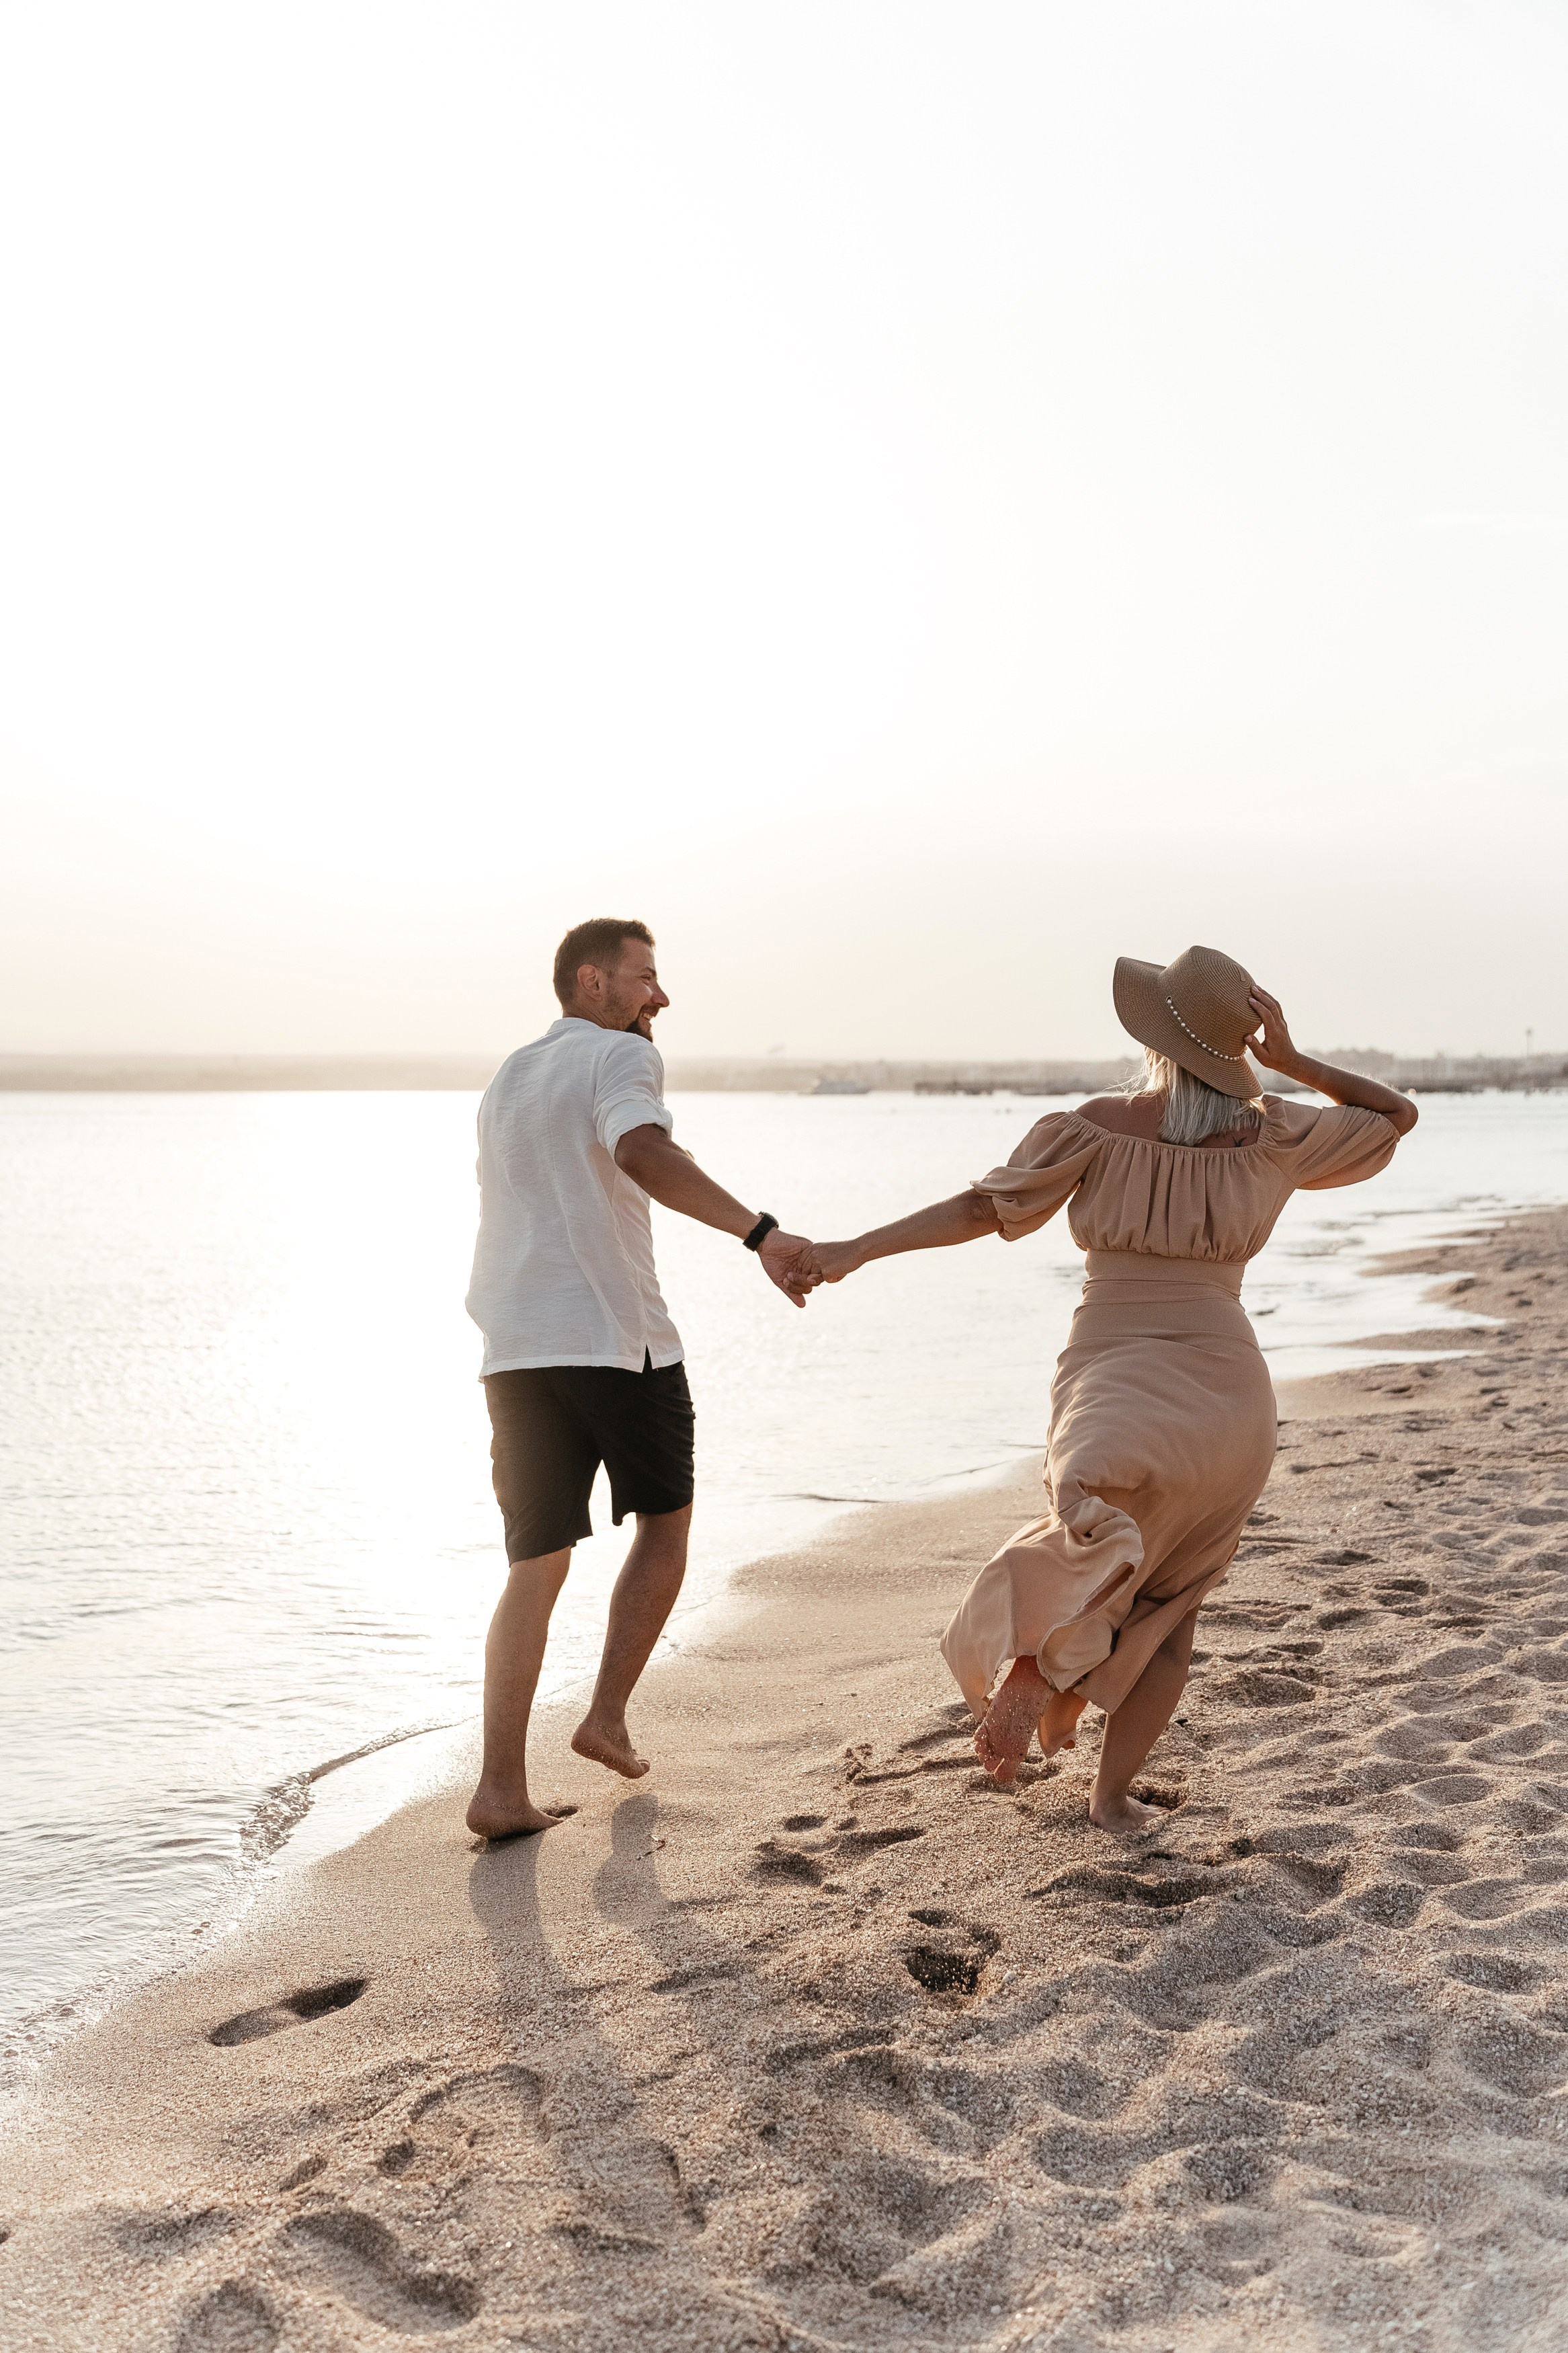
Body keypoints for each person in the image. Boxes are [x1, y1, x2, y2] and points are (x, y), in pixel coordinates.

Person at [815, 945, 1417, 1833]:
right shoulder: (1277, 1133)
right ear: (1235, 1047)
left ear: (1153, 1036)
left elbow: (982, 1210)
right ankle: (1108, 1802)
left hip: (1113, 1368)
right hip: (1227, 1396)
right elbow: (1394, 1115)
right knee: (1172, 1615)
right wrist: (1288, 1063)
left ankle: (1031, 1667)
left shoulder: (1090, 1127)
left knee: (1090, 1522)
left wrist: (851, 1250)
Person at [463, 918, 821, 1839]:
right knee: (665, 1524)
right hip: (617, 1342)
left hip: (514, 1344)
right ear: (592, 984)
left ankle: (500, 1788)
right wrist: (761, 1234)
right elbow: (642, 1153)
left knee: (533, 1565)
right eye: (644, 979)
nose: (658, 998)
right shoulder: (618, 1060)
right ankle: (607, 1716)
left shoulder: (510, 1075)